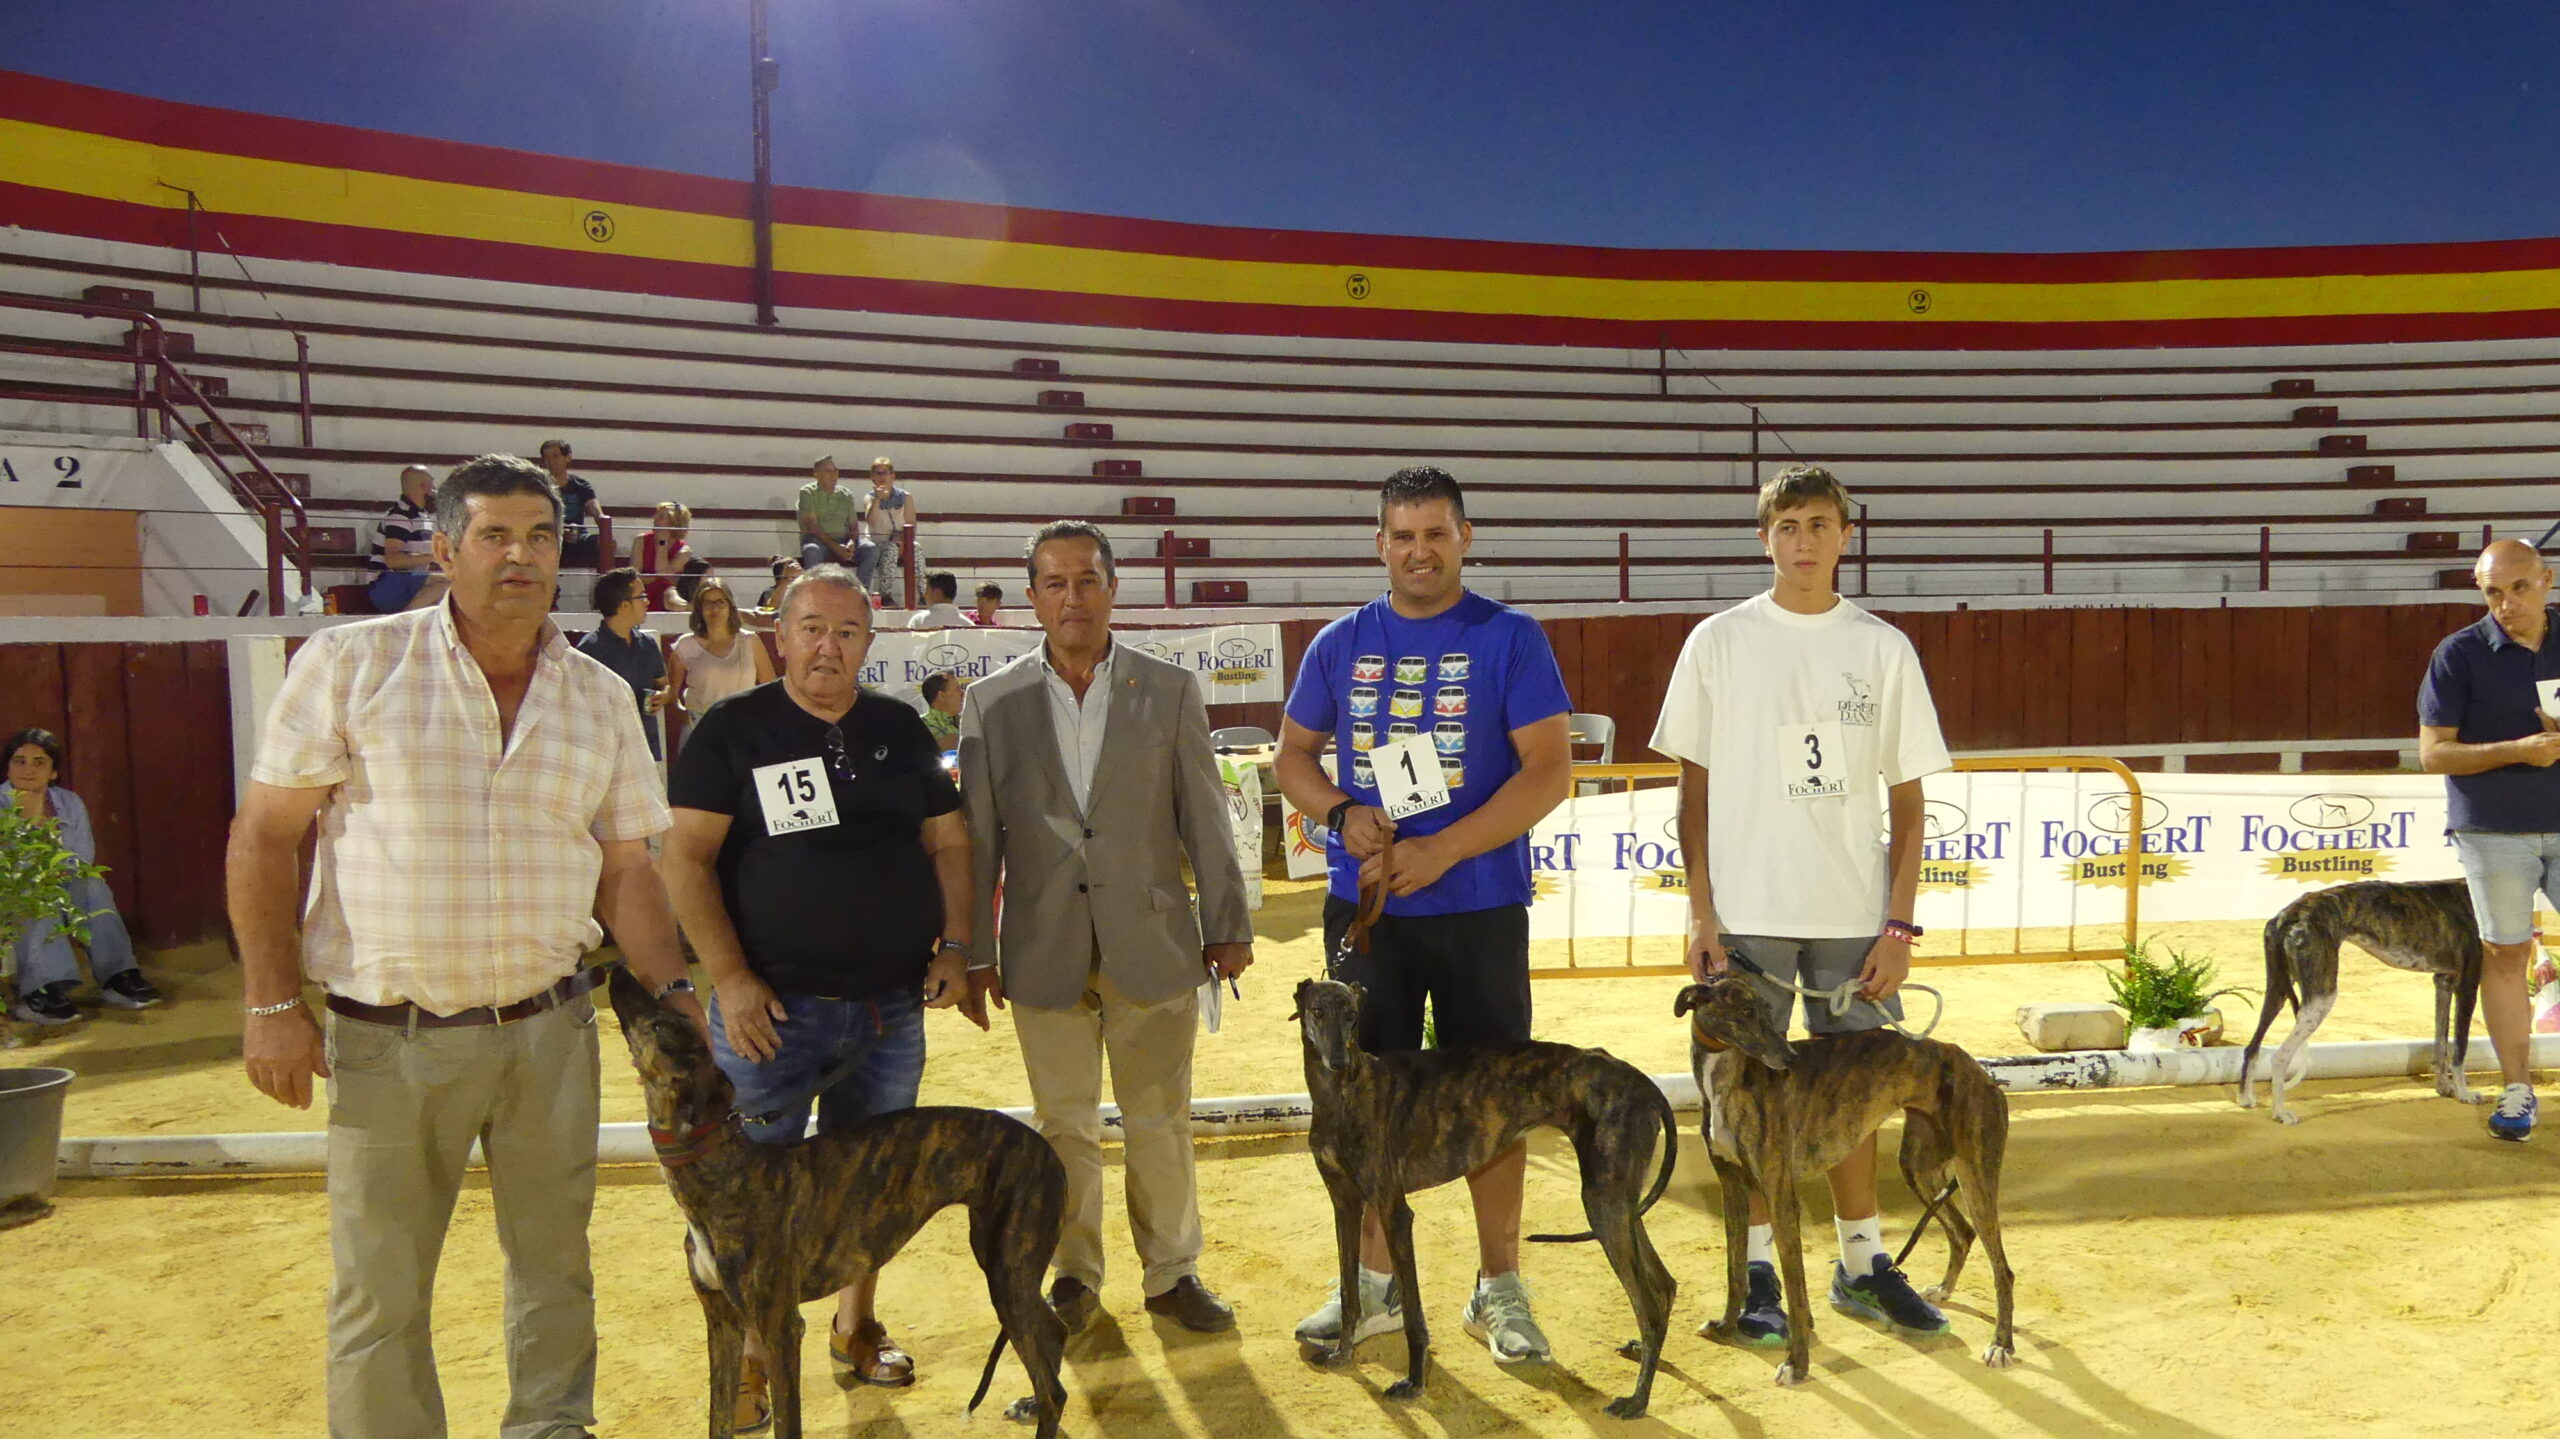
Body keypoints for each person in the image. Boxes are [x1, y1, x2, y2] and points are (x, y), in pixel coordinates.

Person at [227, 453, 701, 1439]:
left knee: (556, 1268)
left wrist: (676, 996)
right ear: (445, 549)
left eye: (539, 537)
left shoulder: (600, 695)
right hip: (388, 1038)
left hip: (551, 1030)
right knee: (381, 1289)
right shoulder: (351, 664)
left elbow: (627, 870)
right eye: (494, 535)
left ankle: (551, 1428)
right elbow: (265, 836)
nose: (519, 556)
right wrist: (271, 1003)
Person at [661, 564, 975, 1424]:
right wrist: (731, 979)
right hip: (769, 1014)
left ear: (868, 643)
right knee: (746, 1192)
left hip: (890, 1007)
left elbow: (949, 842)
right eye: (811, 628)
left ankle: (854, 1326)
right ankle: (752, 1357)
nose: (827, 647)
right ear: (780, 635)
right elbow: (683, 859)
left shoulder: (900, 727)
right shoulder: (731, 730)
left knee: (869, 1183)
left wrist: (956, 944)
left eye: (845, 631)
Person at [1650, 462, 1955, 1346]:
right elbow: (1693, 792)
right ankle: (1755, 1275)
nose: (1804, 541)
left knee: (1854, 1098)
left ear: (1845, 536)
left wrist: (1898, 924)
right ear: (1765, 538)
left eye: (1820, 523)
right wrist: (1700, 912)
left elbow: (1909, 801)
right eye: (1788, 525)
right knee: (1745, 1103)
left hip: (1853, 916)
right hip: (1746, 914)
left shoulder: (1883, 648)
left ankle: (1862, 1263)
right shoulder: (1718, 641)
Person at [1274, 465, 1573, 1365]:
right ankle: (1373, 1284)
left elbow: (1549, 772)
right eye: (1402, 536)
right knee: (1362, 1105)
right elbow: (1292, 756)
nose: (1419, 551)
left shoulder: (1510, 637)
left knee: (1495, 1102)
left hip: (1481, 909)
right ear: (1380, 544)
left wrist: (1444, 850)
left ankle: (1498, 1284)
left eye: (1435, 533)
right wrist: (1339, 812)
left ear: (1464, 537)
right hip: (1367, 913)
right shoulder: (1339, 643)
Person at [957, 519, 1252, 1336]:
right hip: (1039, 945)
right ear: (1032, 597)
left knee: (1161, 1118)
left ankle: (1172, 1271)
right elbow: (978, 843)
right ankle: (1074, 1274)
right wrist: (975, 952)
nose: (1072, 597)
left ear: (1113, 588)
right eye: (1054, 583)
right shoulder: (990, 703)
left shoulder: (1171, 689)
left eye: (1087, 580)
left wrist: (1227, 922)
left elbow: (1206, 818)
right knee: (1062, 1125)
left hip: (1154, 940)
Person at [2420, 538, 2560, 1141]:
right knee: (2505, 954)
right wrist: (2519, 751)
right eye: (2492, 592)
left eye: (2519, 587)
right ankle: (2517, 1089)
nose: (2506, 603)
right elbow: (2434, 754)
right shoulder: (2458, 653)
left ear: (2547, 580)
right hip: (2491, 829)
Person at [5, 727, 160, 1024]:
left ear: (53, 772)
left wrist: (58, 873)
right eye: (19, 761)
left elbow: (82, 857)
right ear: (8, 767)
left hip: (61, 880)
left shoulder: (69, 803)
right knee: (35, 893)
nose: (27, 770)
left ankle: (118, 977)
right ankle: (41, 990)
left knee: (91, 884)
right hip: (13, 890)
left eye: (39, 762)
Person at [578, 567, 669, 762]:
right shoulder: (589, 650)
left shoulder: (648, 644)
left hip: (645, 748)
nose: (647, 601)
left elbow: (663, 683)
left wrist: (663, 696)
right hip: (607, 754)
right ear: (624, 605)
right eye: (642, 596)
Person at [669, 577, 775, 734]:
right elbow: (671, 693)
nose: (715, 608)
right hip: (701, 727)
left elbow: (770, 689)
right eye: (708, 603)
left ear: (730, 606)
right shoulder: (685, 645)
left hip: (743, 726)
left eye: (720, 602)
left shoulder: (750, 641)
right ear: (699, 609)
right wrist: (686, 717)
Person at [364, 464, 446, 613]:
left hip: (408, 582)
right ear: (424, 487)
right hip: (388, 585)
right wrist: (435, 557)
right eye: (432, 485)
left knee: (455, 584)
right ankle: (405, 620)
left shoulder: (421, 516)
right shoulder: (400, 516)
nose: (435, 491)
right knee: (451, 582)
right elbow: (393, 561)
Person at [538, 439, 600, 595]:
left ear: (568, 457)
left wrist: (605, 529)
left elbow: (596, 510)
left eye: (555, 456)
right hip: (550, 537)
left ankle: (601, 593)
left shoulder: (581, 485)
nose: (551, 461)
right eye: (547, 457)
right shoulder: (539, 487)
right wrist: (557, 532)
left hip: (577, 537)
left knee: (601, 543)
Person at [858, 458, 914, 606]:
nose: (882, 477)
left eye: (885, 473)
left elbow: (911, 523)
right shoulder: (869, 498)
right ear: (872, 477)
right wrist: (877, 499)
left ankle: (921, 594)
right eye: (878, 473)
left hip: (901, 540)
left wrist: (903, 541)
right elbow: (872, 521)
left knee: (917, 550)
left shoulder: (906, 497)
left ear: (893, 476)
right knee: (891, 549)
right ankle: (885, 595)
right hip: (879, 542)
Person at [796, 456, 862, 572]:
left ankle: (862, 584)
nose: (834, 474)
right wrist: (836, 547)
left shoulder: (846, 494)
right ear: (817, 474)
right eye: (828, 471)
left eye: (835, 470)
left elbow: (854, 525)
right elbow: (812, 527)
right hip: (818, 541)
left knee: (871, 549)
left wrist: (851, 542)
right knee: (811, 550)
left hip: (844, 540)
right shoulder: (807, 492)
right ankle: (813, 583)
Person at [635, 501, 694, 611]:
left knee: (666, 588)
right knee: (664, 585)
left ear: (674, 523)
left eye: (661, 516)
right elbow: (635, 576)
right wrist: (661, 578)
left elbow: (661, 571)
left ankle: (684, 607)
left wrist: (662, 542)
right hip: (643, 592)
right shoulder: (641, 540)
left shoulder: (684, 551)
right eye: (656, 514)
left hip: (667, 594)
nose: (655, 519)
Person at [919, 671, 965, 750]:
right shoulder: (920, 726)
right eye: (958, 689)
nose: (963, 694)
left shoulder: (967, 722)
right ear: (941, 695)